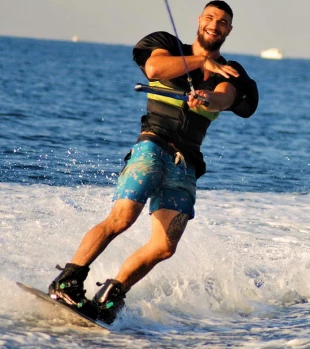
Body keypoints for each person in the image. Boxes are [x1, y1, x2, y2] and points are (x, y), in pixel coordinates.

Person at [47, 0, 259, 324]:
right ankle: (68, 281)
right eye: (210, 18)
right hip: (153, 146)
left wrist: (209, 97)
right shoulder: (165, 44)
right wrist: (201, 59)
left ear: (229, 30)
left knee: (164, 246)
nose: (215, 25)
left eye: (223, 21)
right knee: (122, 218)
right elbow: (154, 70)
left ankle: (111, 295)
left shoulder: (232, 72)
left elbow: (228, 97)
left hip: (187, 164)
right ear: (200, 21)